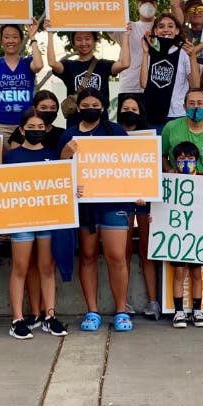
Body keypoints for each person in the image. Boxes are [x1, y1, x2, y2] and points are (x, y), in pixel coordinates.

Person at [58, 89, 134, 332]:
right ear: (78, 107)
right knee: (88, 256)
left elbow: (130, 165)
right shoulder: (69, 135)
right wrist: (66, 155)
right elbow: (58, 174)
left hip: (113, 204)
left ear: (102, 107)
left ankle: (121, 311)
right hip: (84, 207)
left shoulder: (117, 132)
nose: (90, 107)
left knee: (117, 257)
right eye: (86, 104)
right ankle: (92, 311)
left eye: (95, 104)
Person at [4, 110, 68, 339]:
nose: (36, 131)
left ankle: (49, 316)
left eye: (40, 128)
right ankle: (17, 319)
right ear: (22, 130)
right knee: (20, 268)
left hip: (47, 219)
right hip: (21, 220)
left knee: (46, 268)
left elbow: (61, 185)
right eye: (31, 127)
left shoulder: (52, 155)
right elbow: (2, 189)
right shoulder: (11, 157)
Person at [116, 93, 160, 318]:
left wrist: (146, 189)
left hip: (144, 200)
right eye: (126, 108)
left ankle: (153, 302)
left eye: (134, 109)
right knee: (122, 254)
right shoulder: (111, 135)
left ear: (140, 113)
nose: (129, 112)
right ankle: (123, 303)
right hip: (120, 200)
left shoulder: (150, 137)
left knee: (147, 250)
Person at [166, 141, 203, 328]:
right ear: (174, 160)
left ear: (197, 160)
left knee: (196, 273)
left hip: (197, 235)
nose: (186, 161)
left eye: (190, 158)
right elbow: (162, 207)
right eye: (181, 158)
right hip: (176, 235)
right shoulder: (168, 181)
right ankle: (179, 312)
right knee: (178, 272)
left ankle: (197, 310)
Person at [46, 24, 130, 111]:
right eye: (78, 39)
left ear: (94, 41)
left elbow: (125, 64)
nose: (83, 43)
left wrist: (125, 37)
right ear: (74, 43)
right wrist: (50, 34)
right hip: (76, 119)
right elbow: (52, 63)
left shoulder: (104, 65)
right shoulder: (68, 65)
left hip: (100, 119)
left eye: (87, 39)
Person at [140, 13, 202, 130]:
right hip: (153, 113)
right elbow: (144, 84)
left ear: (177, 30)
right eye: (161, 26)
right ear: (155, 30)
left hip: (178, 114)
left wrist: (192, 57)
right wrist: (145, 53)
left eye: (170, 26)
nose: (166, 30)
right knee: (158, 148)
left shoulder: (184, 52)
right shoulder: (150, 52)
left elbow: (195, 86)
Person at [160, 89, 203, 175]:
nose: (196, 107)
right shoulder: (170, 128)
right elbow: (161, 155)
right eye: (191, 103)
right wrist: (168, 169)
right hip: (177, 185)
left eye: (200, 103)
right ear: (184, 107)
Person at [119, 0, 162, 96]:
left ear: (156, 6)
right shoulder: (127, 27)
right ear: (137, 5)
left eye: (151, 2)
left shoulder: (164, 29)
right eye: (143, 2)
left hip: (156, 87)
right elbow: (108, 25)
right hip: (128, 88)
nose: (147, 5)